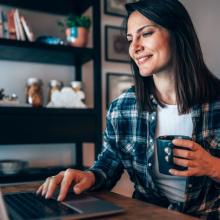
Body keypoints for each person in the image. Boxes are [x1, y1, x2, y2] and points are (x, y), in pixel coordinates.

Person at [37, 0, 220, 218]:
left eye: (146, 33)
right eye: (130, 39)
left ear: (177, 33)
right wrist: (90, 176)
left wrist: (213, 166)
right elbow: (108, 163)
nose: (134, 48)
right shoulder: (122, 107)